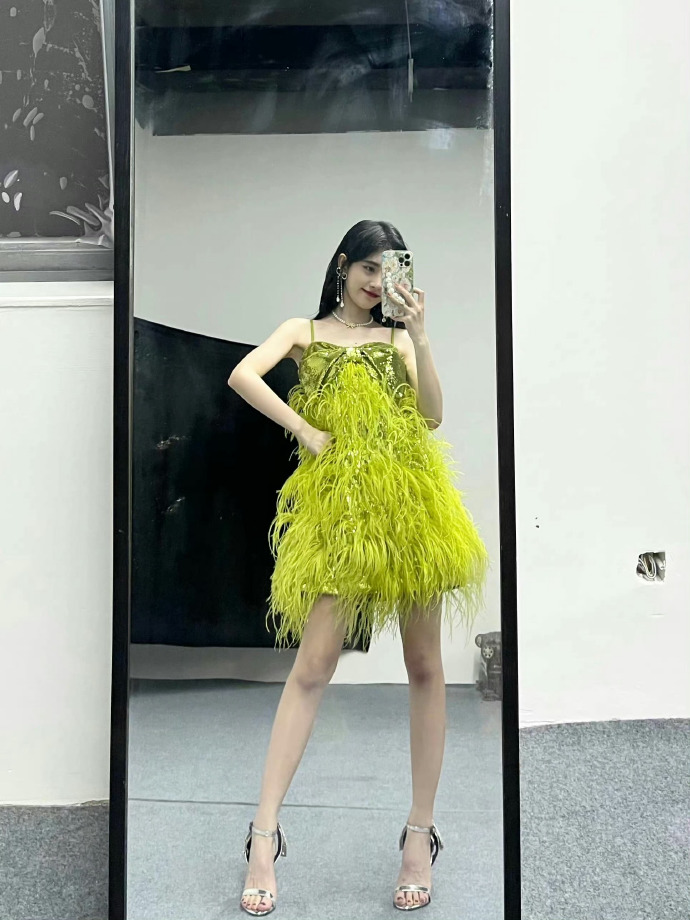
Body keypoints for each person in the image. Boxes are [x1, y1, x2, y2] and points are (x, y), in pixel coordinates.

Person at [228, 219, 488, 914]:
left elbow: (432, 418)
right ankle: (263, 835)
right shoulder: (304, 332)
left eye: (390, 270)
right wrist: (304, 428)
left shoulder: (398, 340)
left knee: (425, 666)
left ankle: (419, 835)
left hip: (410, 506)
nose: (377, 283)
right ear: (343, 265)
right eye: (369, 268)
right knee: (312, 668)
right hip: (341, 517)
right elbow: (242, 374)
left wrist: (421, 335)